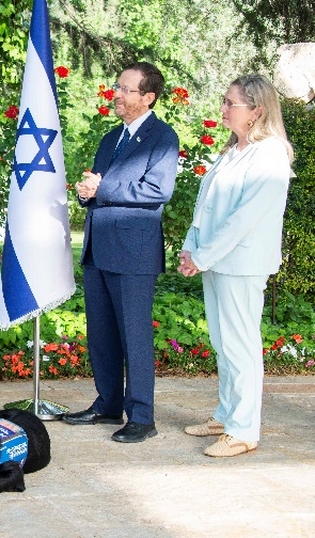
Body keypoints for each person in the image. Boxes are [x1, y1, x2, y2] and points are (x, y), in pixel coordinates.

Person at [63, 62, 179, 443]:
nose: (117, 93)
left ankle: (142, 417)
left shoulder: (163, 138)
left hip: (134, 254)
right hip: (99, 249)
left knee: (134, 336)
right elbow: (100, 187)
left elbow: (157, 191)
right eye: (117, 86)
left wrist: (102, 188)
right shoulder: (110, 137)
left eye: (127, 89)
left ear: (148, 97)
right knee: (101, 334)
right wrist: (86, 193)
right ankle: (108, 404)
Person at [178, 74, 292, 457]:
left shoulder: (271, 154)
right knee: (223, 343)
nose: (223, 109)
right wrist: (191, 247)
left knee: (241, 345)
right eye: (224, 101)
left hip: (241, 262)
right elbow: (205, 206)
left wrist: (203, 255)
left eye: (231, 103)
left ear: (256, 111)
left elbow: (244, 218)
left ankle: (243, 430)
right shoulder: (232, 151)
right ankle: (226, 415)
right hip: (216, 260)